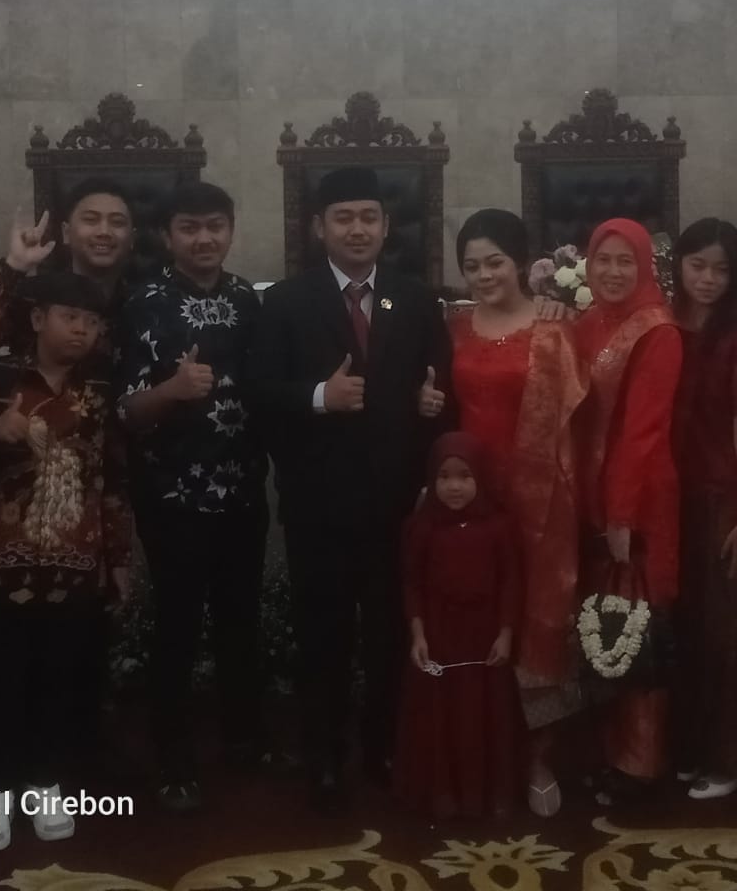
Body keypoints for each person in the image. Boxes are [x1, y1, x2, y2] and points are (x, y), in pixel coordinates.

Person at [247, 165, 452, 811]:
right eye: (343, 218)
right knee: (323, 637)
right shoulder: (286, 302)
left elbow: (443, 390)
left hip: (397, 503)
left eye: (368, 217)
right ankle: (325, 755)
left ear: (387, 226)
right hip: (320, 505)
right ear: (319, 227)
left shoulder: (415, 299)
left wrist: (434, 406)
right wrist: (318, 396)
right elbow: (259, 395)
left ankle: (383, 746)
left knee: (390, 633)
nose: (357, 229)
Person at [0, 272, 132, 853]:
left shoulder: (102, 387)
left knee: (59, 678)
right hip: (1, 559)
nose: (81, 331)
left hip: (77, 558)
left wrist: (119, 557)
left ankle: (45, 784)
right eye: (70, 317)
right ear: (37, 318)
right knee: (2, 679)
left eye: (92, 322)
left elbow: (113, 477)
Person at [117, 182, 275, 812]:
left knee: (241, 624)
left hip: (243, 489)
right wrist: (173, 390)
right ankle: (173, 759)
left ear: (231, 229)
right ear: (167, 235)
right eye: (189, 227)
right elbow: (127, 411)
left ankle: (245, 740)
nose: (204, 238)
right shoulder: (143, 303)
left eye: (215, 226)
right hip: (173, 494)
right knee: (177, 628)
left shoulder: (247, 298)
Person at [445, 208, 585, 817]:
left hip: (541, 501)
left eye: (495, 262)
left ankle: (540, 757)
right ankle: (480, 752)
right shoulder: (452, 327)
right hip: (469, 500)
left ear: (522, 263)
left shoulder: (555, 328)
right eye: (471, 266)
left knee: (538, 621)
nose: (483, 276)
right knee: (475, 618)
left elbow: (577, 426)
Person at [573, 218, 684, 804]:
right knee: (604, 623)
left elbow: (645, 430)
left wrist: (621, 515)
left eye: (626, 262)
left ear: (644, 268)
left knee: (639, 623)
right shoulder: (588, 322)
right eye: (603, 260)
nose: (613, 272)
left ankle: (641, 766)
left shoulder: (658, 332)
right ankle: (606, 751)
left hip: (639, 501)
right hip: (591, 496)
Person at [669, 218, 737, 802]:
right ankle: (689, 747)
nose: (707, 279)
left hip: (720, 496)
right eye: (697, 265)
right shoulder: (660, 326)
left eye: (722, 269)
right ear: (678, 264)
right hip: (668, 496)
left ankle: (733, 759)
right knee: (682, 629)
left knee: (725, 634)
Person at [393, 432, 525, 820]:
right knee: (442, 714)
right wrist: (418, 634)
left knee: (484, 714)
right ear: (431, 479)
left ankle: (489, 792)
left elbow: (511, 581)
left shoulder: (499, 527)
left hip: (484, 638)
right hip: (440, 635)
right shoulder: (421, 529)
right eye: (445, 476)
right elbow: (412, 583)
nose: (454, 486)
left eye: (465, 476)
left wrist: (506, 633)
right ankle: (442, 791)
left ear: (480, 478)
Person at [0, 180, 136, 358]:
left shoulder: (145, 302)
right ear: (66, 233)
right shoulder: (32, 297)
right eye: (90, 220)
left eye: (117, 222)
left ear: (132, 238)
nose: (104, 232)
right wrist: (14, 266)